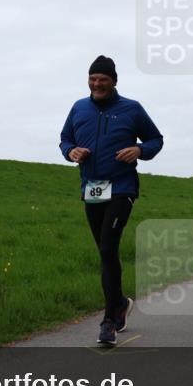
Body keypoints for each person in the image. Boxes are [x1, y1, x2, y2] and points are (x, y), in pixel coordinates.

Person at [59, 56, 164, 346]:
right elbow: (65, 139)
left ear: (114, 81)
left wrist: (139, 151)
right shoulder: (79, 108)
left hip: (122, 187)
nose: (96, 84)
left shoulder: (131, 109)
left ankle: (108, 321)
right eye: (92, 79)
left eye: (102, 79)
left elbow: (156, 140)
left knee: (108, 246)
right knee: (105, 252)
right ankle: (119, 302)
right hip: (91, 189)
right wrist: (71, 152)